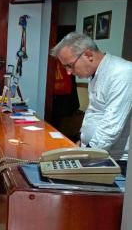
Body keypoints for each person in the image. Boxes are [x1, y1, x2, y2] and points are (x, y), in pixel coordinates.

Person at [51, 32, 132, 175]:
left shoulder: (122, 73)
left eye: (70, 66)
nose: (68, 72)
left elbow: (111, 126)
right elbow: (94, 112)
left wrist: (85, 155)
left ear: (88, 55)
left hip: (117, 160)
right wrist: (82, 142)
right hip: (97, 153)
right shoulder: (95, 73)